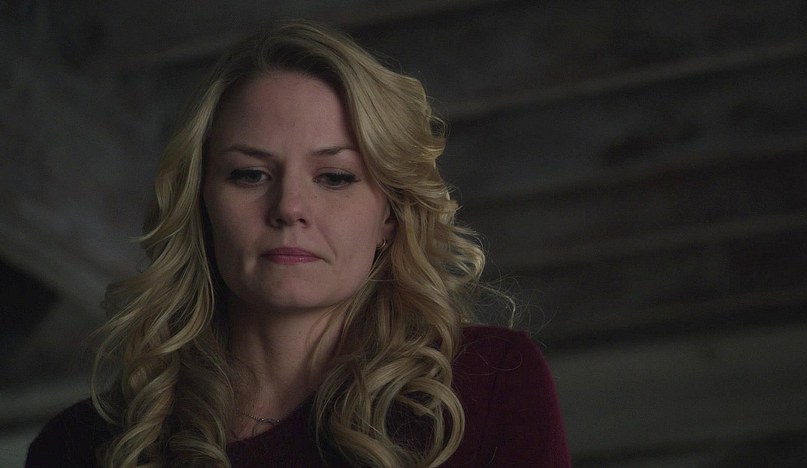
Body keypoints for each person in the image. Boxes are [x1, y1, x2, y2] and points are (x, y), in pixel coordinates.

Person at [26, 19, 570, 467]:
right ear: (201, 204)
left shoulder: (486, 386)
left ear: (390, 214)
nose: (289, 207)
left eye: (334, 177)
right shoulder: (80, 447)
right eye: (249, 174)